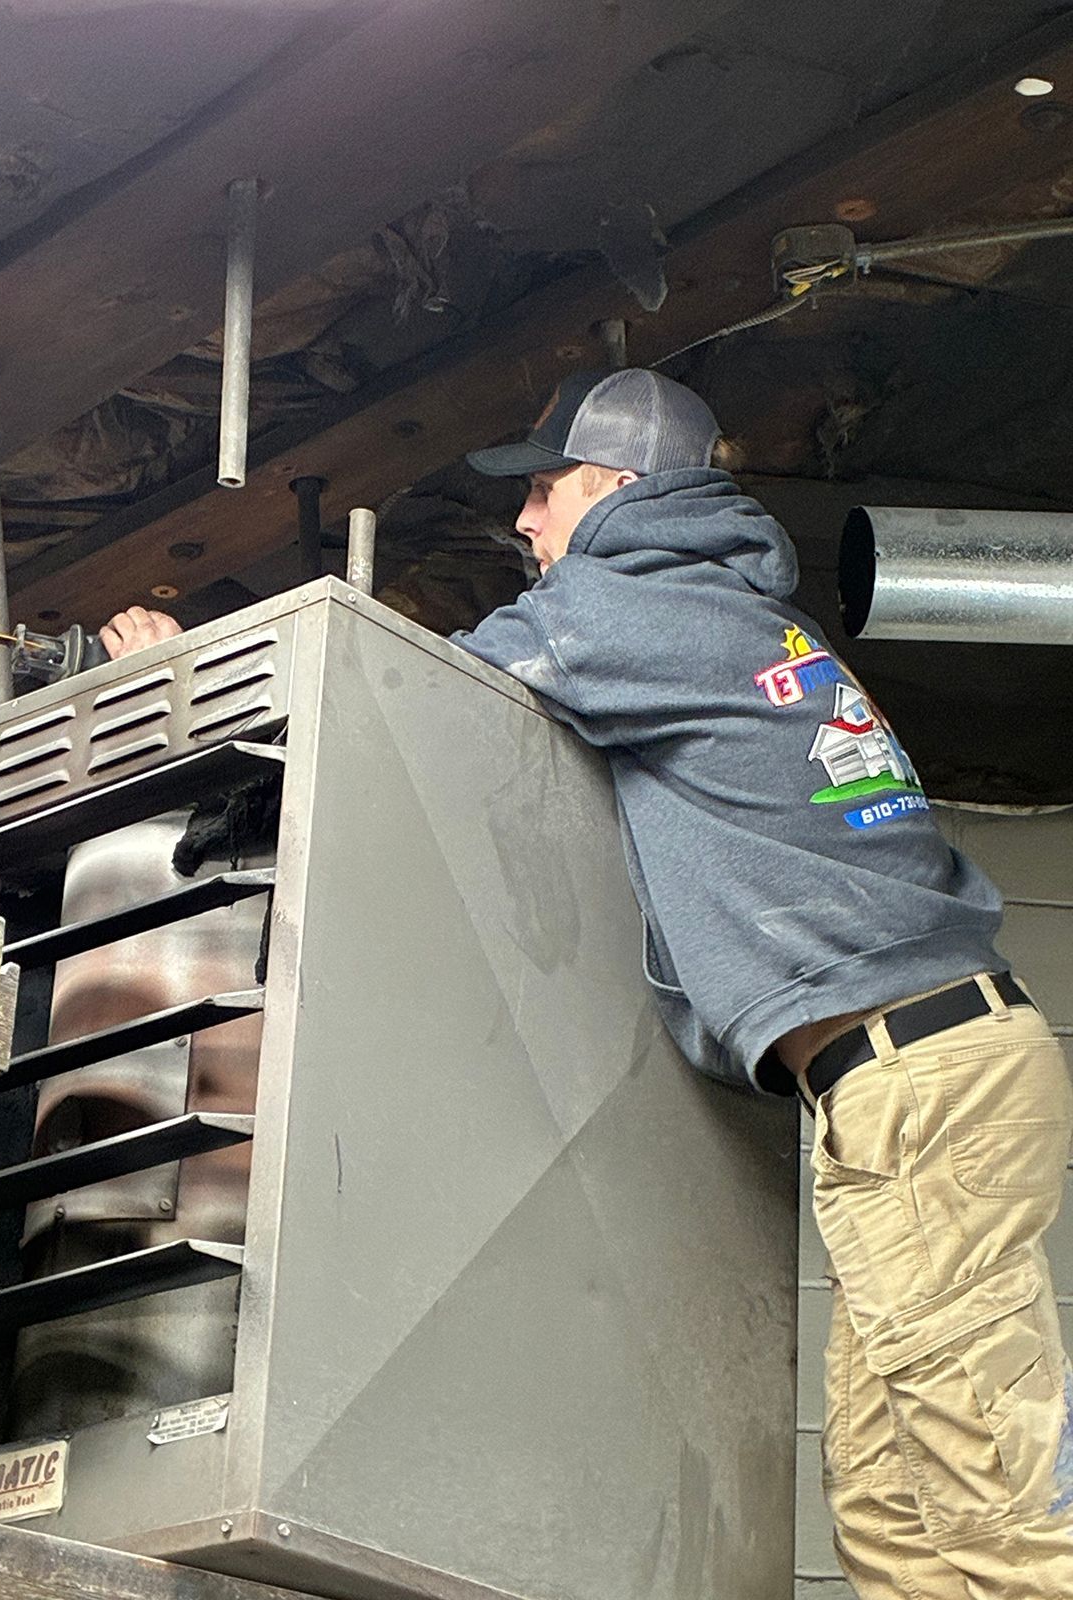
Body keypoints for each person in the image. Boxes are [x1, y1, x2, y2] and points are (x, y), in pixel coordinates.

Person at [100, 368, 1073, 1598]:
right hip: (928, 1071)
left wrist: (188, 668)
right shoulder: (749, 619)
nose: (523, 523)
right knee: (892, 1509)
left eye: (546, 490)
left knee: (988, 1493)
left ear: (619, 489)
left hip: (917, 1080)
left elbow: (389, 700)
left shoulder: (624, 604)